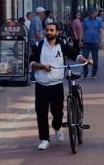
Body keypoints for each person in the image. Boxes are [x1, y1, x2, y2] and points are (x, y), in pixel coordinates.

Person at [29, 19, 92, 150]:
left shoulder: (62, 45)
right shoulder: (39, 46)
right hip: (41, 84)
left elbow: (76, 56)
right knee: (41, 112)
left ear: (57, 32)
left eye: (52, 30)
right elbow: (31, 63)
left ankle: (57, 128)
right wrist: (42, 66)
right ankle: (44, 139)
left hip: (56, 84)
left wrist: (85, 60)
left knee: (57, 112)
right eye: (47, 30)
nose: (49, 32)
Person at [80, 8, 104, 79]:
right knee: (84, 57)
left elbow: (101, 31)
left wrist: (102, 42)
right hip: (86, 42)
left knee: (95, 58)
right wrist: (80, 40)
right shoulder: (85, 20)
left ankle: (94, 73)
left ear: (96, 13)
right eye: (91, 13)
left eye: (93, 13)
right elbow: (82, 30)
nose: (92, 14)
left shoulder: (99, 20)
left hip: (95, 42)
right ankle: (85, 72)